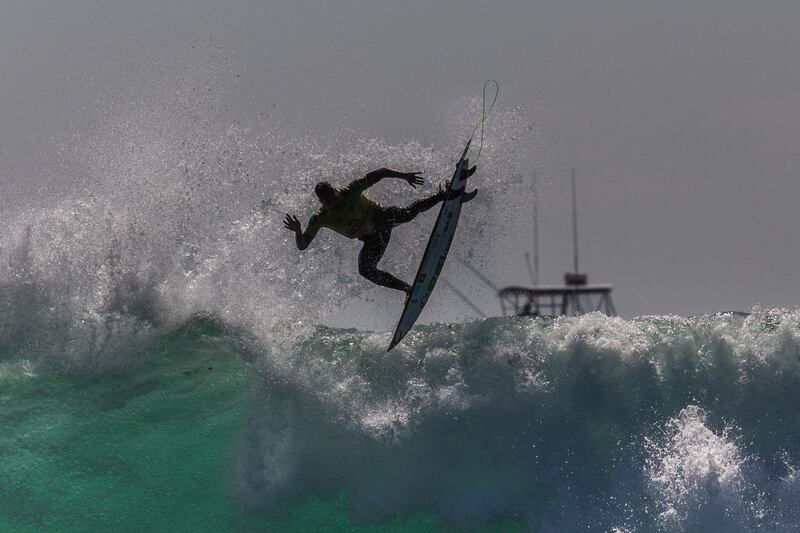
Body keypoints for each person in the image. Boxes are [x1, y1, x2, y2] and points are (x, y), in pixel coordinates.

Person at [283, 166, 476, 299]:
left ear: (335, 190)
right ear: (321, 203)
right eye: (328, 202)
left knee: (406, 213)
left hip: (381, 217)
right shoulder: (319, 218)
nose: (334, 203)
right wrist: (298, 232)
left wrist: (404, 176)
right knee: (365, 270)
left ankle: (445, 193)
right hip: (372, 240)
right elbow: (303, 246)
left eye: (334, 197)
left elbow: (381, 173)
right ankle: (407, 289)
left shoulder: (350, 190)